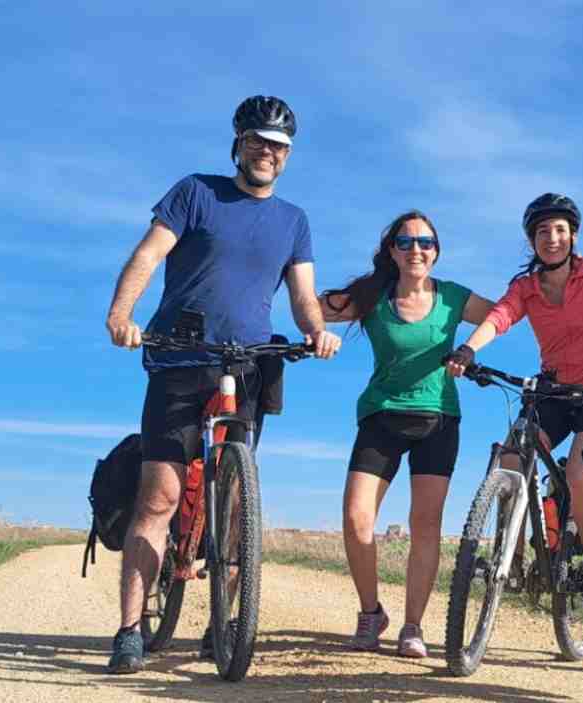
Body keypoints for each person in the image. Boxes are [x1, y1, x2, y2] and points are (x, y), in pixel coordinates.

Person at [103, 95, 342, 674]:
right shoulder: (196, 192)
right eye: (258, 141)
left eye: (279, 146)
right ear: (238, 143)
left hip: (250, 363)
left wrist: (315, 332)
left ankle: (224, 622)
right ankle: (130, 630)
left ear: (287, 156)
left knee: (234, 505)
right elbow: (148, 253)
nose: (268, 152)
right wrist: (121, 313)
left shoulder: (294, 221)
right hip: (179, 360)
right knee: (158, 496)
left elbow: (304, 295)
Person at [443, 193, 583, 564]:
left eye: (560, 230)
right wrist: (468, 350)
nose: (552, 238)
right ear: (532, 241)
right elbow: (499, 317)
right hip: (554, 392)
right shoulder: (526, 289)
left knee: (581, 473)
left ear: (574, 236)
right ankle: (508, 561)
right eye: (543, 231)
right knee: (511, 461)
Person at [319, 211, 493, 658]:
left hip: (438, 420)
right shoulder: (374, 296)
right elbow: (314, 306)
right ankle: (370, 612)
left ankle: (413, 626)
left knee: (425, 526)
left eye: (426, 241)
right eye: (406, 241)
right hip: (381, 418)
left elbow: (503, 315)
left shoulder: (453, 297)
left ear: (436, 251)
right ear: (392, 251)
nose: (417, 248)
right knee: (357, 519)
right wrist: (317, 329)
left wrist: (473, 349)